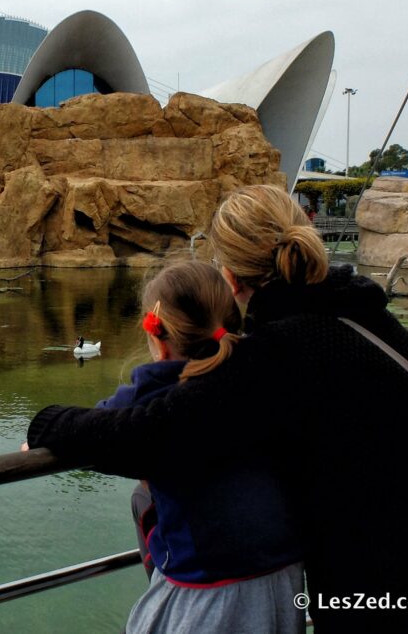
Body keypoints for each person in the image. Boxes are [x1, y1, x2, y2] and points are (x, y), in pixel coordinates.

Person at [26, 184, 408, 633]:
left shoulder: (282, 352)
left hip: (399, 588)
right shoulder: (360, 313)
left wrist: (48, 423)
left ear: (231, 279)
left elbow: (150, 435)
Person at [101, 261, 304, 633]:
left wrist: (44, 432)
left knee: (141, 498)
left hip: (208, 589)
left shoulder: (155, 389)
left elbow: (105, 428)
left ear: (158, 340)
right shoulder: (265, 367)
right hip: (284, 579)